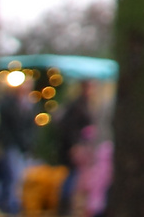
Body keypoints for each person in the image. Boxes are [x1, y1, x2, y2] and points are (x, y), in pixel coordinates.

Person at [0, 74, 35, 214]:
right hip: (11, 145)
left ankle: (12, 204)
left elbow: (31, 127)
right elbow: (4, 127)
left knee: (19, 177)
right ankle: (10, 207)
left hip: (23, 146)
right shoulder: (7, 104)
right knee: (12, 176)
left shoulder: (29, 105)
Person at [55, 81, 94, 213]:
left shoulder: (85, 104)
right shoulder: (77, 105)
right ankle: (64, 207)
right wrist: (74, 145)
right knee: (70, 176)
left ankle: (68, 205)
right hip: (72, 147)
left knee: (75, 177)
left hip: (78, 146)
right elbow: (71, 127)